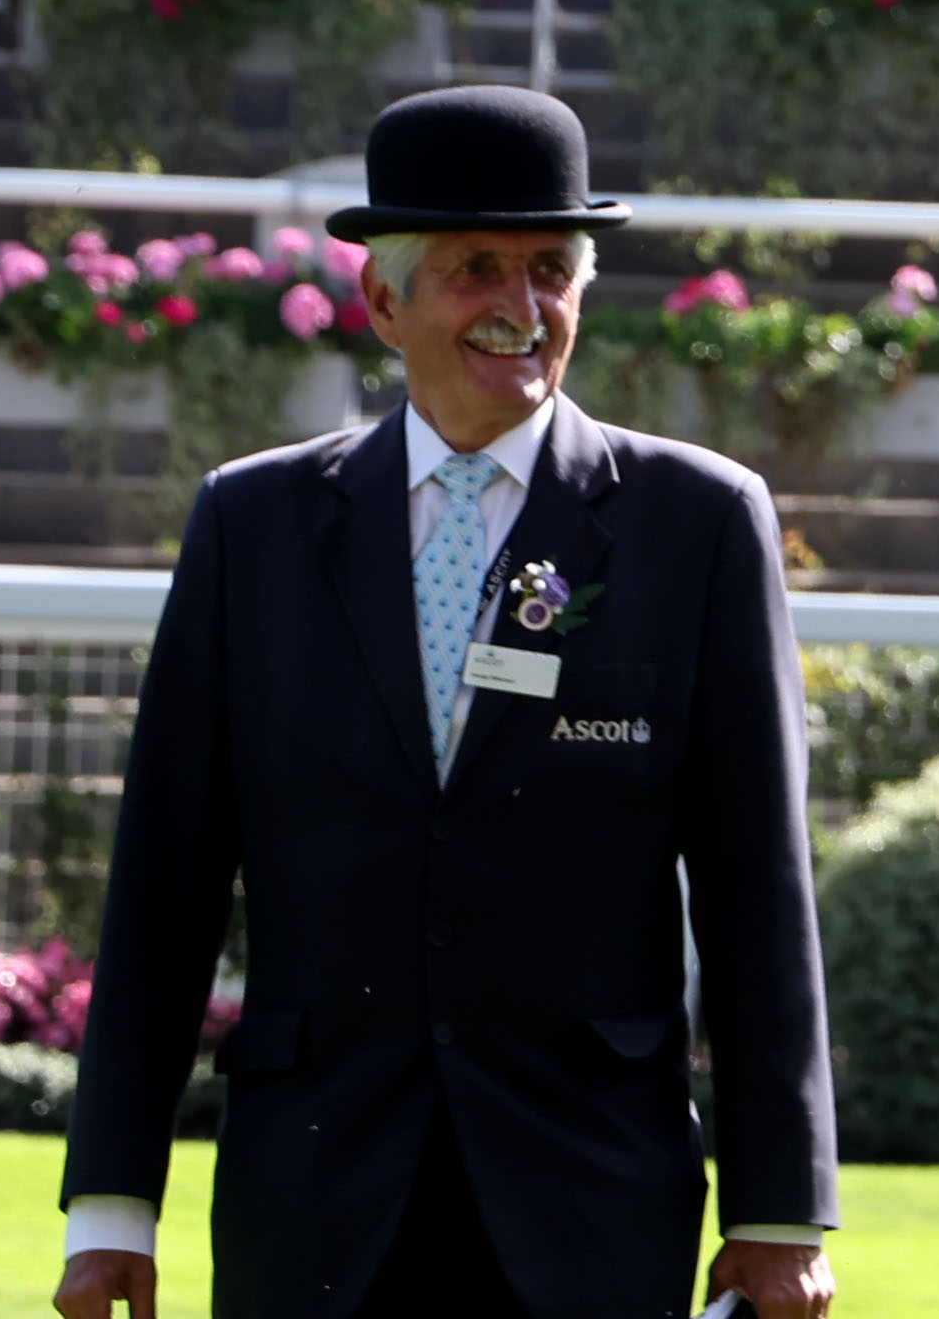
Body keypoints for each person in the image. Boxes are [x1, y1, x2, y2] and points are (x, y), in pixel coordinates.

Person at [54, 86, 838, 1319]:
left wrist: (780, 1210)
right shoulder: (250, 526)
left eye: (549, 270)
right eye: (477, 270)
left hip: (589, 1197)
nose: (522, 310)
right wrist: (110, 1206)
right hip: (313, 1196)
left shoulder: (698, 523)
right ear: (383, 301)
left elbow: (757, 888)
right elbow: (164, 883)